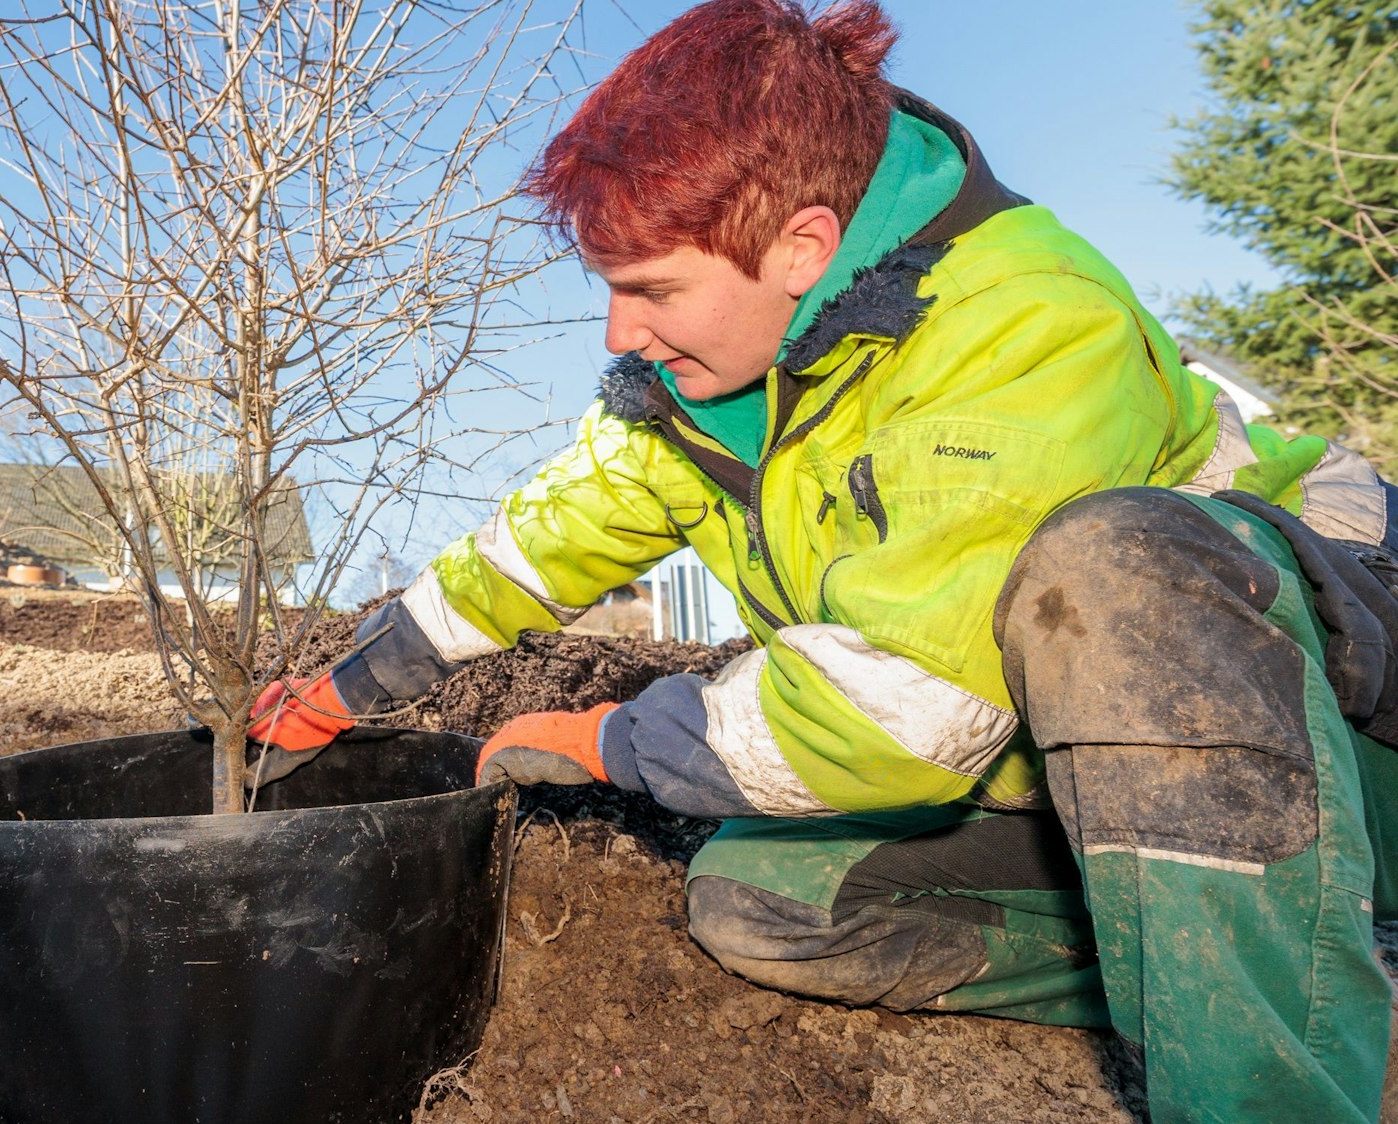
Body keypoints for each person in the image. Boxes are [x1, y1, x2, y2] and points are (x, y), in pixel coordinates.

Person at [246, 2, 1398, 1120]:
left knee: (1108, 573)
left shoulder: (1028, 323)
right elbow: (534, 541)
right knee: (759, 898)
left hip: (1342, 743)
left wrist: (603, 737)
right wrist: (342, 691)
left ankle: (1279, 1034)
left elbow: (900, 711)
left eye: (650, 287)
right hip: (1107, 786)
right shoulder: (695, 398)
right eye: (607, 287)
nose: (617, 331)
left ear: (801, 245)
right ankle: (1269, 962)